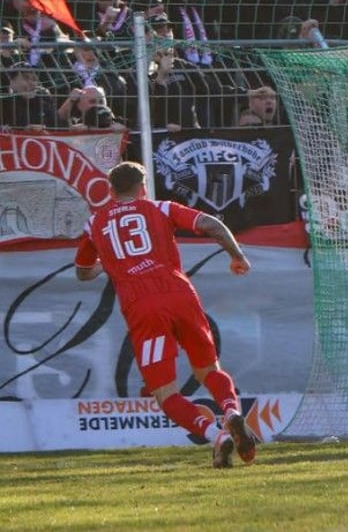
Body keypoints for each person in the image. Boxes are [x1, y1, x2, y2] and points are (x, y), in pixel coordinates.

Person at [73, 162, 258, 468]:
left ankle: (216, 435)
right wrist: (237, 256)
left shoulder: (94, 224)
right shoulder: (160, 208)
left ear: (111, 191)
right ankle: (231, 411)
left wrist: (109, 262)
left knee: (164, 392)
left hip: (142, 306)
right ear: (142, 187)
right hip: (181, 295)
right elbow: (212, 224)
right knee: (208, 369)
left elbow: (82, 272)